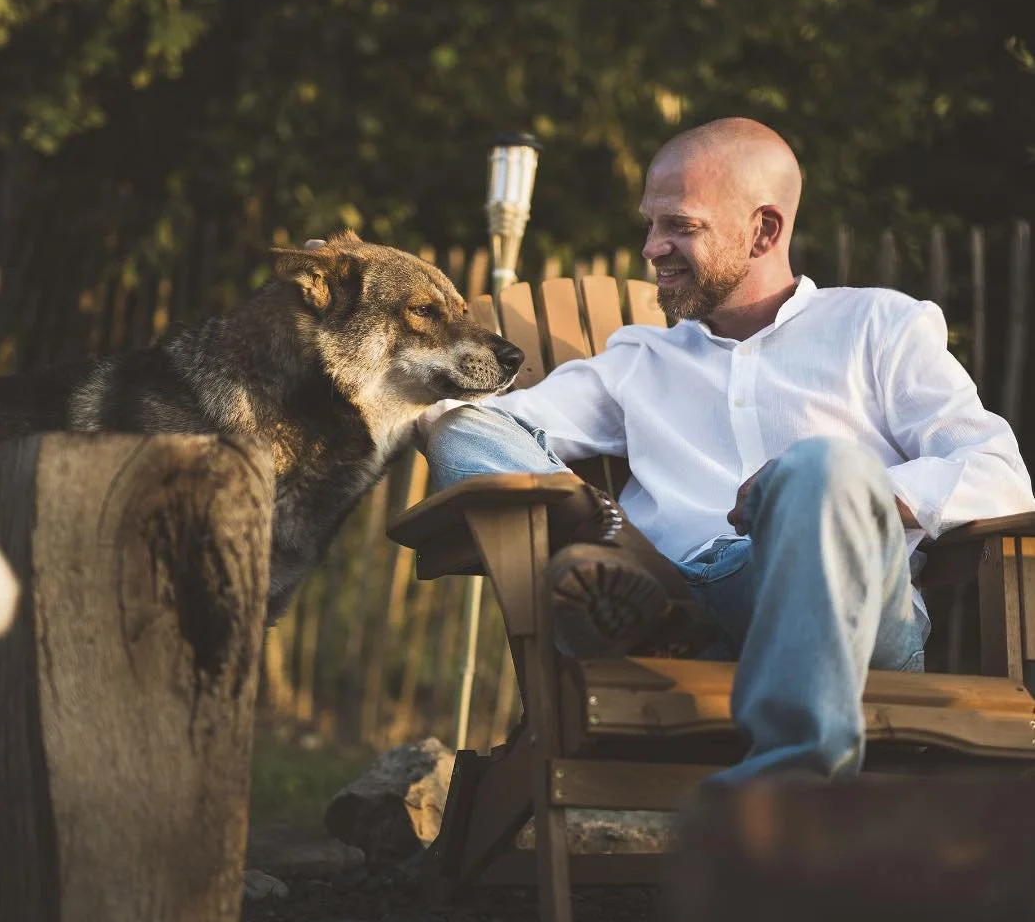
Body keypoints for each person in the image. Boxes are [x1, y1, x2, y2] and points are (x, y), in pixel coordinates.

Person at [418, 117, 1034, 783]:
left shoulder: (879, 327)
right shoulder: (640, 359)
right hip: (685, 603)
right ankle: (646, 604)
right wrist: (594, 523)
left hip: (850, 614)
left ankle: (792, 780)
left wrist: (839, 498)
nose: (652, 247)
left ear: (764, 231)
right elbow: (478, 424)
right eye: (650, 225)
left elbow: (999, 471)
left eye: (679, 225)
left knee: (820, 466)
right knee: (455, 427)